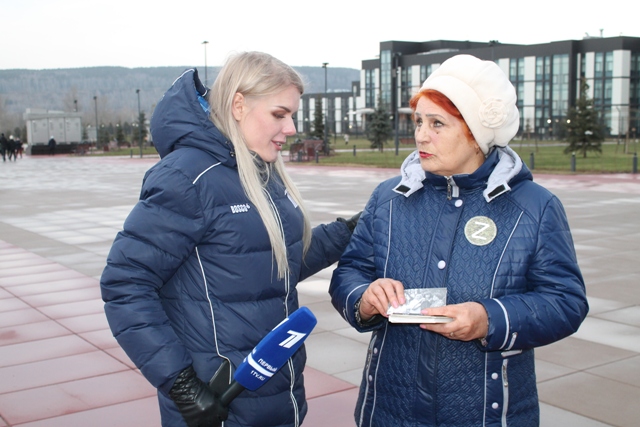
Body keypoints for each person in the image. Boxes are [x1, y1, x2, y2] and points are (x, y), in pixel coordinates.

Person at [100, 51, 360, 427]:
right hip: (220, 405)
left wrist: (349, 231)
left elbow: (273, 263)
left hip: (276, 399)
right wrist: (182, 385)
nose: (291, 128)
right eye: (279, 114)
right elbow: (125, 284)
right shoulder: (187, 176)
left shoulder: (259, 170)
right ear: (239, 105)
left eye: (292, 115)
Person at [329, 54, 588, 427]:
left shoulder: (535, 207)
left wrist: (489, 319)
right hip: (390, 411)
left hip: (485, 415)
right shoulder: (388, 198)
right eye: (419, 121)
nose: (421, 135)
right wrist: (364, 297)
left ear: (476, 133)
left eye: (437, 123)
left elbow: (565, 302)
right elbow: (350, 272)